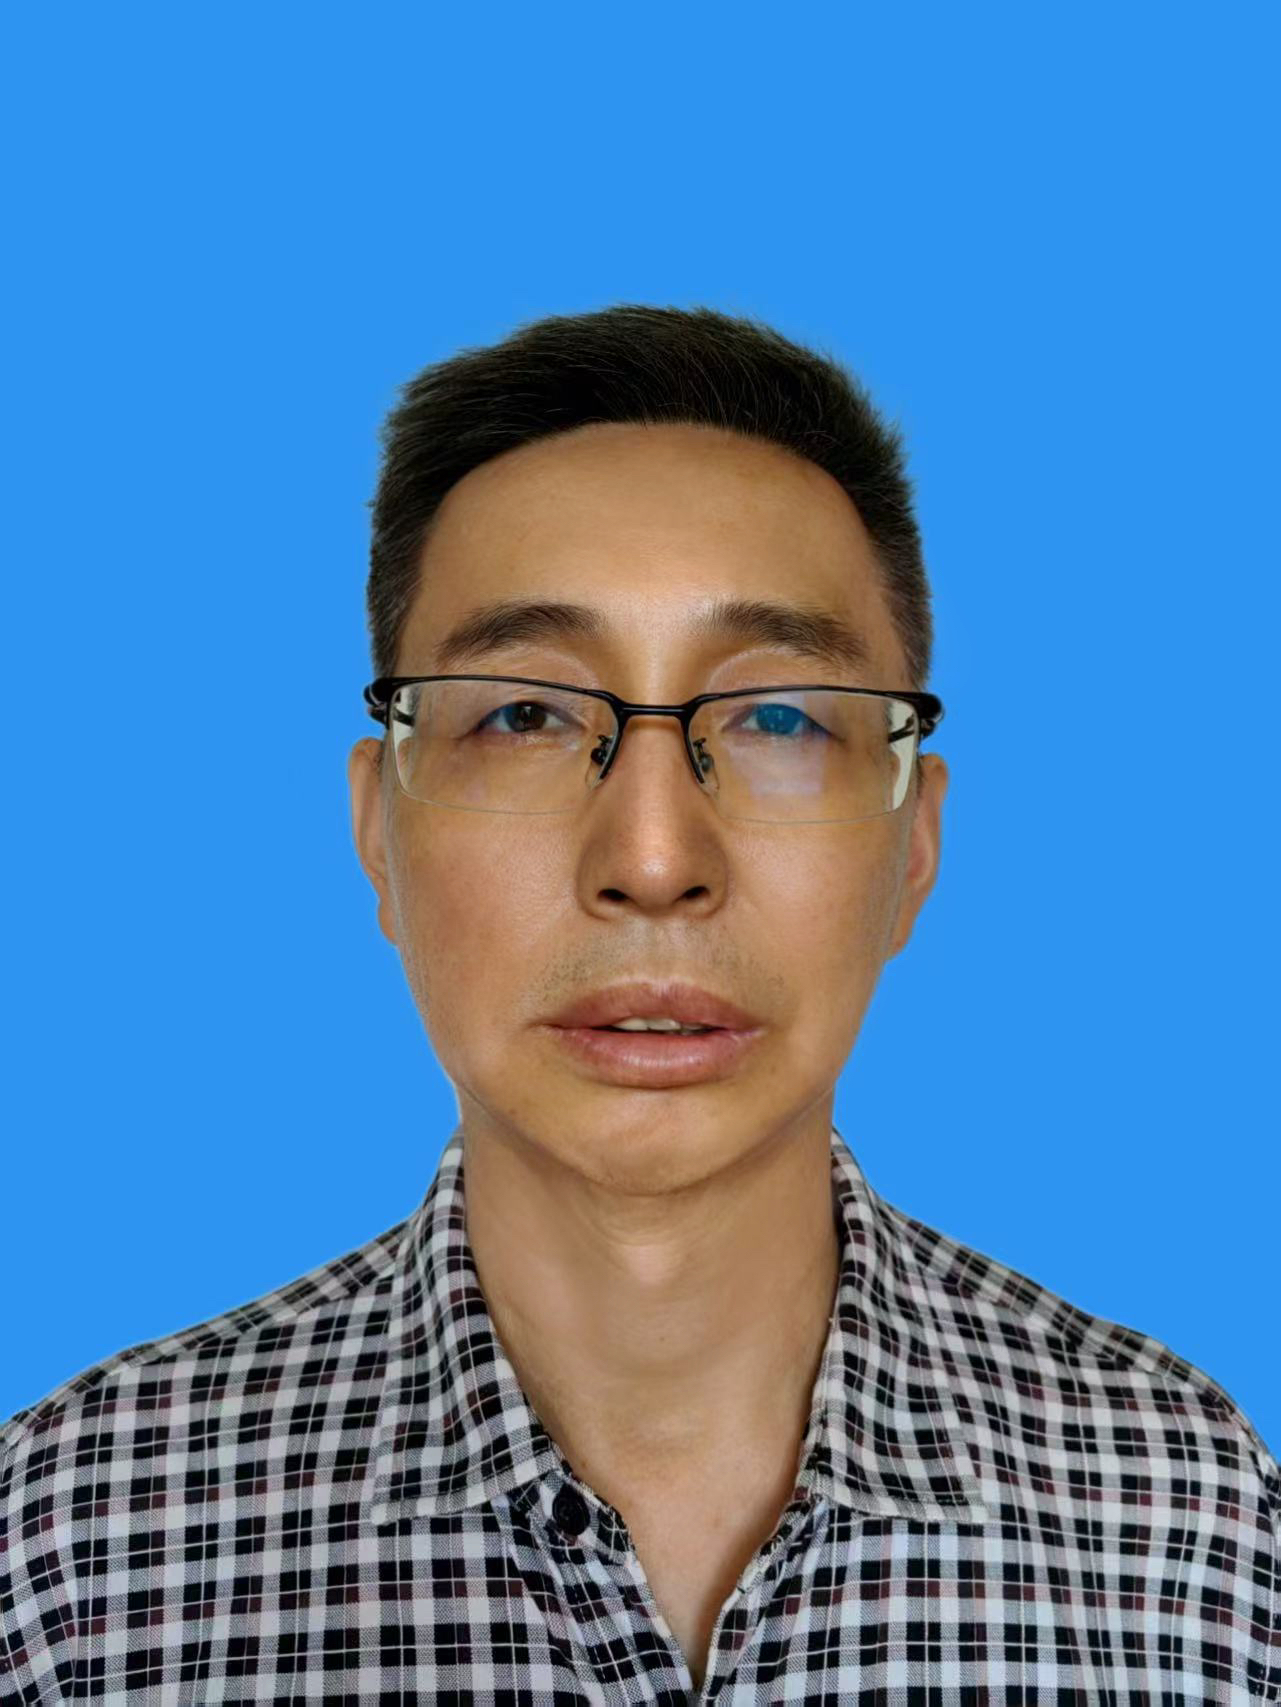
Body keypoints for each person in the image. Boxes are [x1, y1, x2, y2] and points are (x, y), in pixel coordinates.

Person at [2, 305, 1276, 1703]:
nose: (655, 860)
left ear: (915, 845)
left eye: (780, 718)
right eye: (525, 715)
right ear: (377, 832)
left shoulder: (1190, 1520)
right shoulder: (74, 1543)